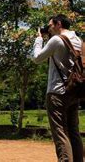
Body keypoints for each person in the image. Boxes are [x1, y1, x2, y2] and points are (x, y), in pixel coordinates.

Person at [32, 14, 83, 161]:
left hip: (57, 93)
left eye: (50, 25)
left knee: (60, 132)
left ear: (58, 24)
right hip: (74, 91)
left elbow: (37, 58)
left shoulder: (56, 40)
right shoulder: (79, 40)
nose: (49, 28)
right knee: (74, 131)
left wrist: (39, 39)